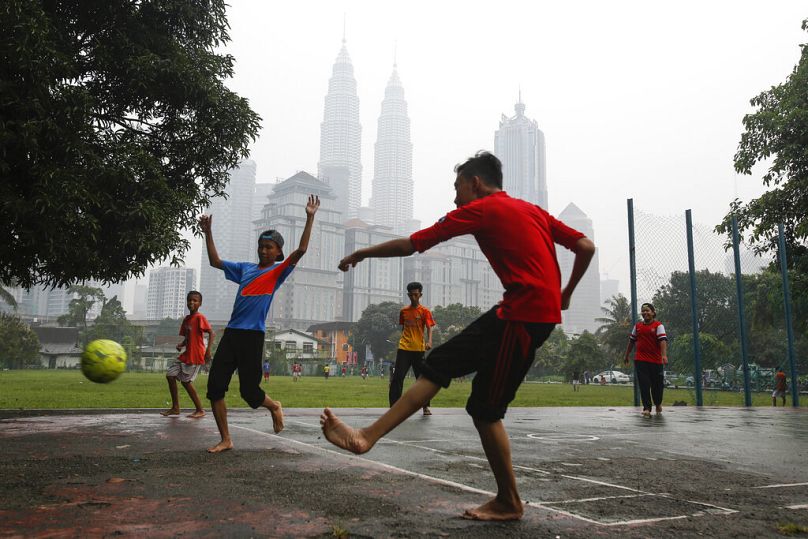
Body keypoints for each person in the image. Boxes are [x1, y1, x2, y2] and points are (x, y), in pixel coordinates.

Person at [320, 151, 595, 521]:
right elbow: (585, 247)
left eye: (457, 188)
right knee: (437, 364)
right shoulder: (532, 210)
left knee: (485, 409)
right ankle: (366, 437)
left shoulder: (480, 209)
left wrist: (363, 253)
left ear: (475, 183)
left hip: (522, 317)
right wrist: (566, 293)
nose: (455, 198)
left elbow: (413, 244)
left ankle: (510, 501)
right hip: (517, 312)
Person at [200, 194, 320, 453]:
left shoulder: (277, 271)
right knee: (214, 388)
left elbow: (300, 251)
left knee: (250, 393)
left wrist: (309, 217)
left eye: (269, 247)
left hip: (252, 337)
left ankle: (274, 406)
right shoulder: (245, 269)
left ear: (278, 253)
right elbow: (215, 262)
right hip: (232, 334)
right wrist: (208, 233)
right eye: (261, 246)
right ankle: (226, 439)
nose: (264, 250)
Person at [160, 291, 213, 419]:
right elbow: (188, 337)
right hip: (186, 354)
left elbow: (212, 333)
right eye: (189, 300)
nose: (191, 302)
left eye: (195, 300)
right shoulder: (187, 319)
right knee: (170, 375)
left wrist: (208, 351)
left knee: (186, 382)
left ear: (200, 303)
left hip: (196, 355)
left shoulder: (200, 318)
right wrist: (181, 345)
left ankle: (200, 410)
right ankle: (175, 408)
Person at [390, 282, 436, 416]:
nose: (413, 297)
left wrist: (429, 341)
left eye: (416, 295)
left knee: (421, 379)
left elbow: (429, 327)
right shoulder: (403, 311)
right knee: (397, 377)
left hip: (419, 349)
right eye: (411, 295)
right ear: (408, 295)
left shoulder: (425, 311)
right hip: (404, 348)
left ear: (420, 295)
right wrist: (403, 340)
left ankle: (425, 406)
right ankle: (394, 407)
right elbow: (403, 327)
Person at [624, 302, 668, 417]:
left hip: (656, 361)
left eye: (647, 310)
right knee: (644, 384)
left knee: (657, 386)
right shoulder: (637, 326)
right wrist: (627, 355)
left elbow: (662, 341)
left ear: (653, 313)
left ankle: (658, 403)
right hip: (641, 360)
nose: (645, 313)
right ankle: (647, 408)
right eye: (643, 311)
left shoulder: (659, 325)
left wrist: (664, 355)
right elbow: (631, 341)